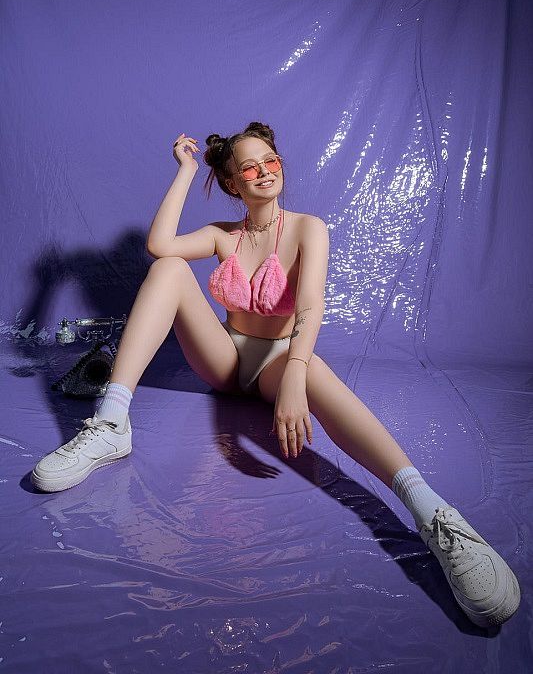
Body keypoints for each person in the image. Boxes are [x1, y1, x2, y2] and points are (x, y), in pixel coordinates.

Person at [31, 121, 521, 628]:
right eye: (250, 167)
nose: (265, 171)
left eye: (271, 160)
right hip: (224, 358)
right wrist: (186, 171)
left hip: (277, 362)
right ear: (232, 182)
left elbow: (310, 307)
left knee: (315, 372)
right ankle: (112, 422)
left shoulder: (309, 228)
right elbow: (159, 245)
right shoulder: (222, 235)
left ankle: (433, 514)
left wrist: (293, 376)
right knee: (168, 269)